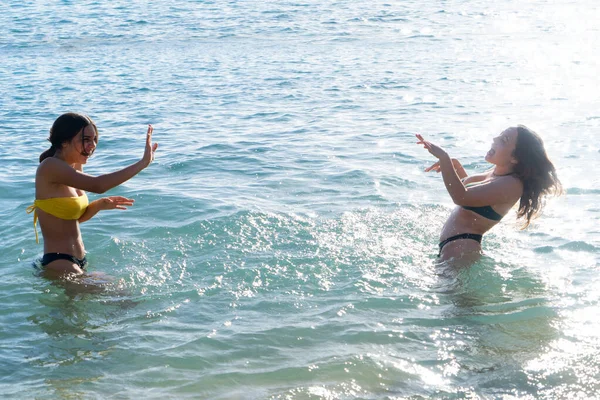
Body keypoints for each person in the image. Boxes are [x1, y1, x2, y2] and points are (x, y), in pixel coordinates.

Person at [27, 112, 158, 277]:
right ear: (64, 141)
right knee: (124, 299)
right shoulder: (50, 166)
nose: (92, 145)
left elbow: (70, 220)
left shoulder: (73, 166)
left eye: (94, 139)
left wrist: (98, 205)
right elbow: (98, 185)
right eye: (86, 139)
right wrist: (142, 163)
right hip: (60, 263)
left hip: (77, 261)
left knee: (121, 299)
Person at [416, 126, 562, 263]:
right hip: (456, 247)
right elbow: (475, 198)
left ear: (515, 158)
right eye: (499, 135)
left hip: (462, 249)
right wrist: (456, 167)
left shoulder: (512, 184)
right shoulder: (496, 174)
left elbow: (461, 197)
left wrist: (444, 158)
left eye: (504, 140)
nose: (495, 139)